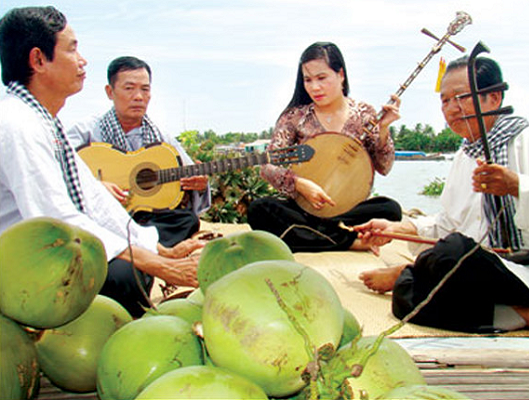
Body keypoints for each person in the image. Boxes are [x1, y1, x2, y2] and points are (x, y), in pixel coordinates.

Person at [355, 55, 529, 347]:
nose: (451, 109)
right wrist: (397, 228)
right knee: (406, 295)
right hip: (470, 271)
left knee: (446, 255)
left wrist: (517, 186)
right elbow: (448, 224)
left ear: (493, 97)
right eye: (444, 101)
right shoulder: (465, 154)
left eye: (461, 98)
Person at [0, 6, 204, 318]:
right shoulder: (17, 123)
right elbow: (58, 222)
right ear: (39, 60)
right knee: (126, 277)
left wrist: (159, 251)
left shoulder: (44, 120)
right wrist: (161, 266)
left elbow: (95, 201)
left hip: (61, 249)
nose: (82, 61)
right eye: (72, 49)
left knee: (141, 258)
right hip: (25, 267)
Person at [247, 41, 402, 252]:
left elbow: (384, 167)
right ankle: (349, 240)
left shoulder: (364, 113)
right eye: (308, 80)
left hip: (348, 209)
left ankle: (317, 235)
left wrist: (383, 129)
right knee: (260, 209)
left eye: (322, 78)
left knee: (390, 210)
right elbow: (267, 166)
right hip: (304, 209)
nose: (314, 87)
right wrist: (300, 184)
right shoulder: (295, 117)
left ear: (340, 75)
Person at [67, 56, 211, 247]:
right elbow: (55, 165)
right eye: (129, 88)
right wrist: (95, 185)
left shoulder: (161, 136)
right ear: (110, 92)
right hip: (104, 217)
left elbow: (189, 171)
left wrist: (200, 185)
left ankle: (137, 247)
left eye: (145, 89)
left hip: (148, 218)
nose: (138, 97)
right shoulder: (85, 131)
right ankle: (145, 249)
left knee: (187, 220)